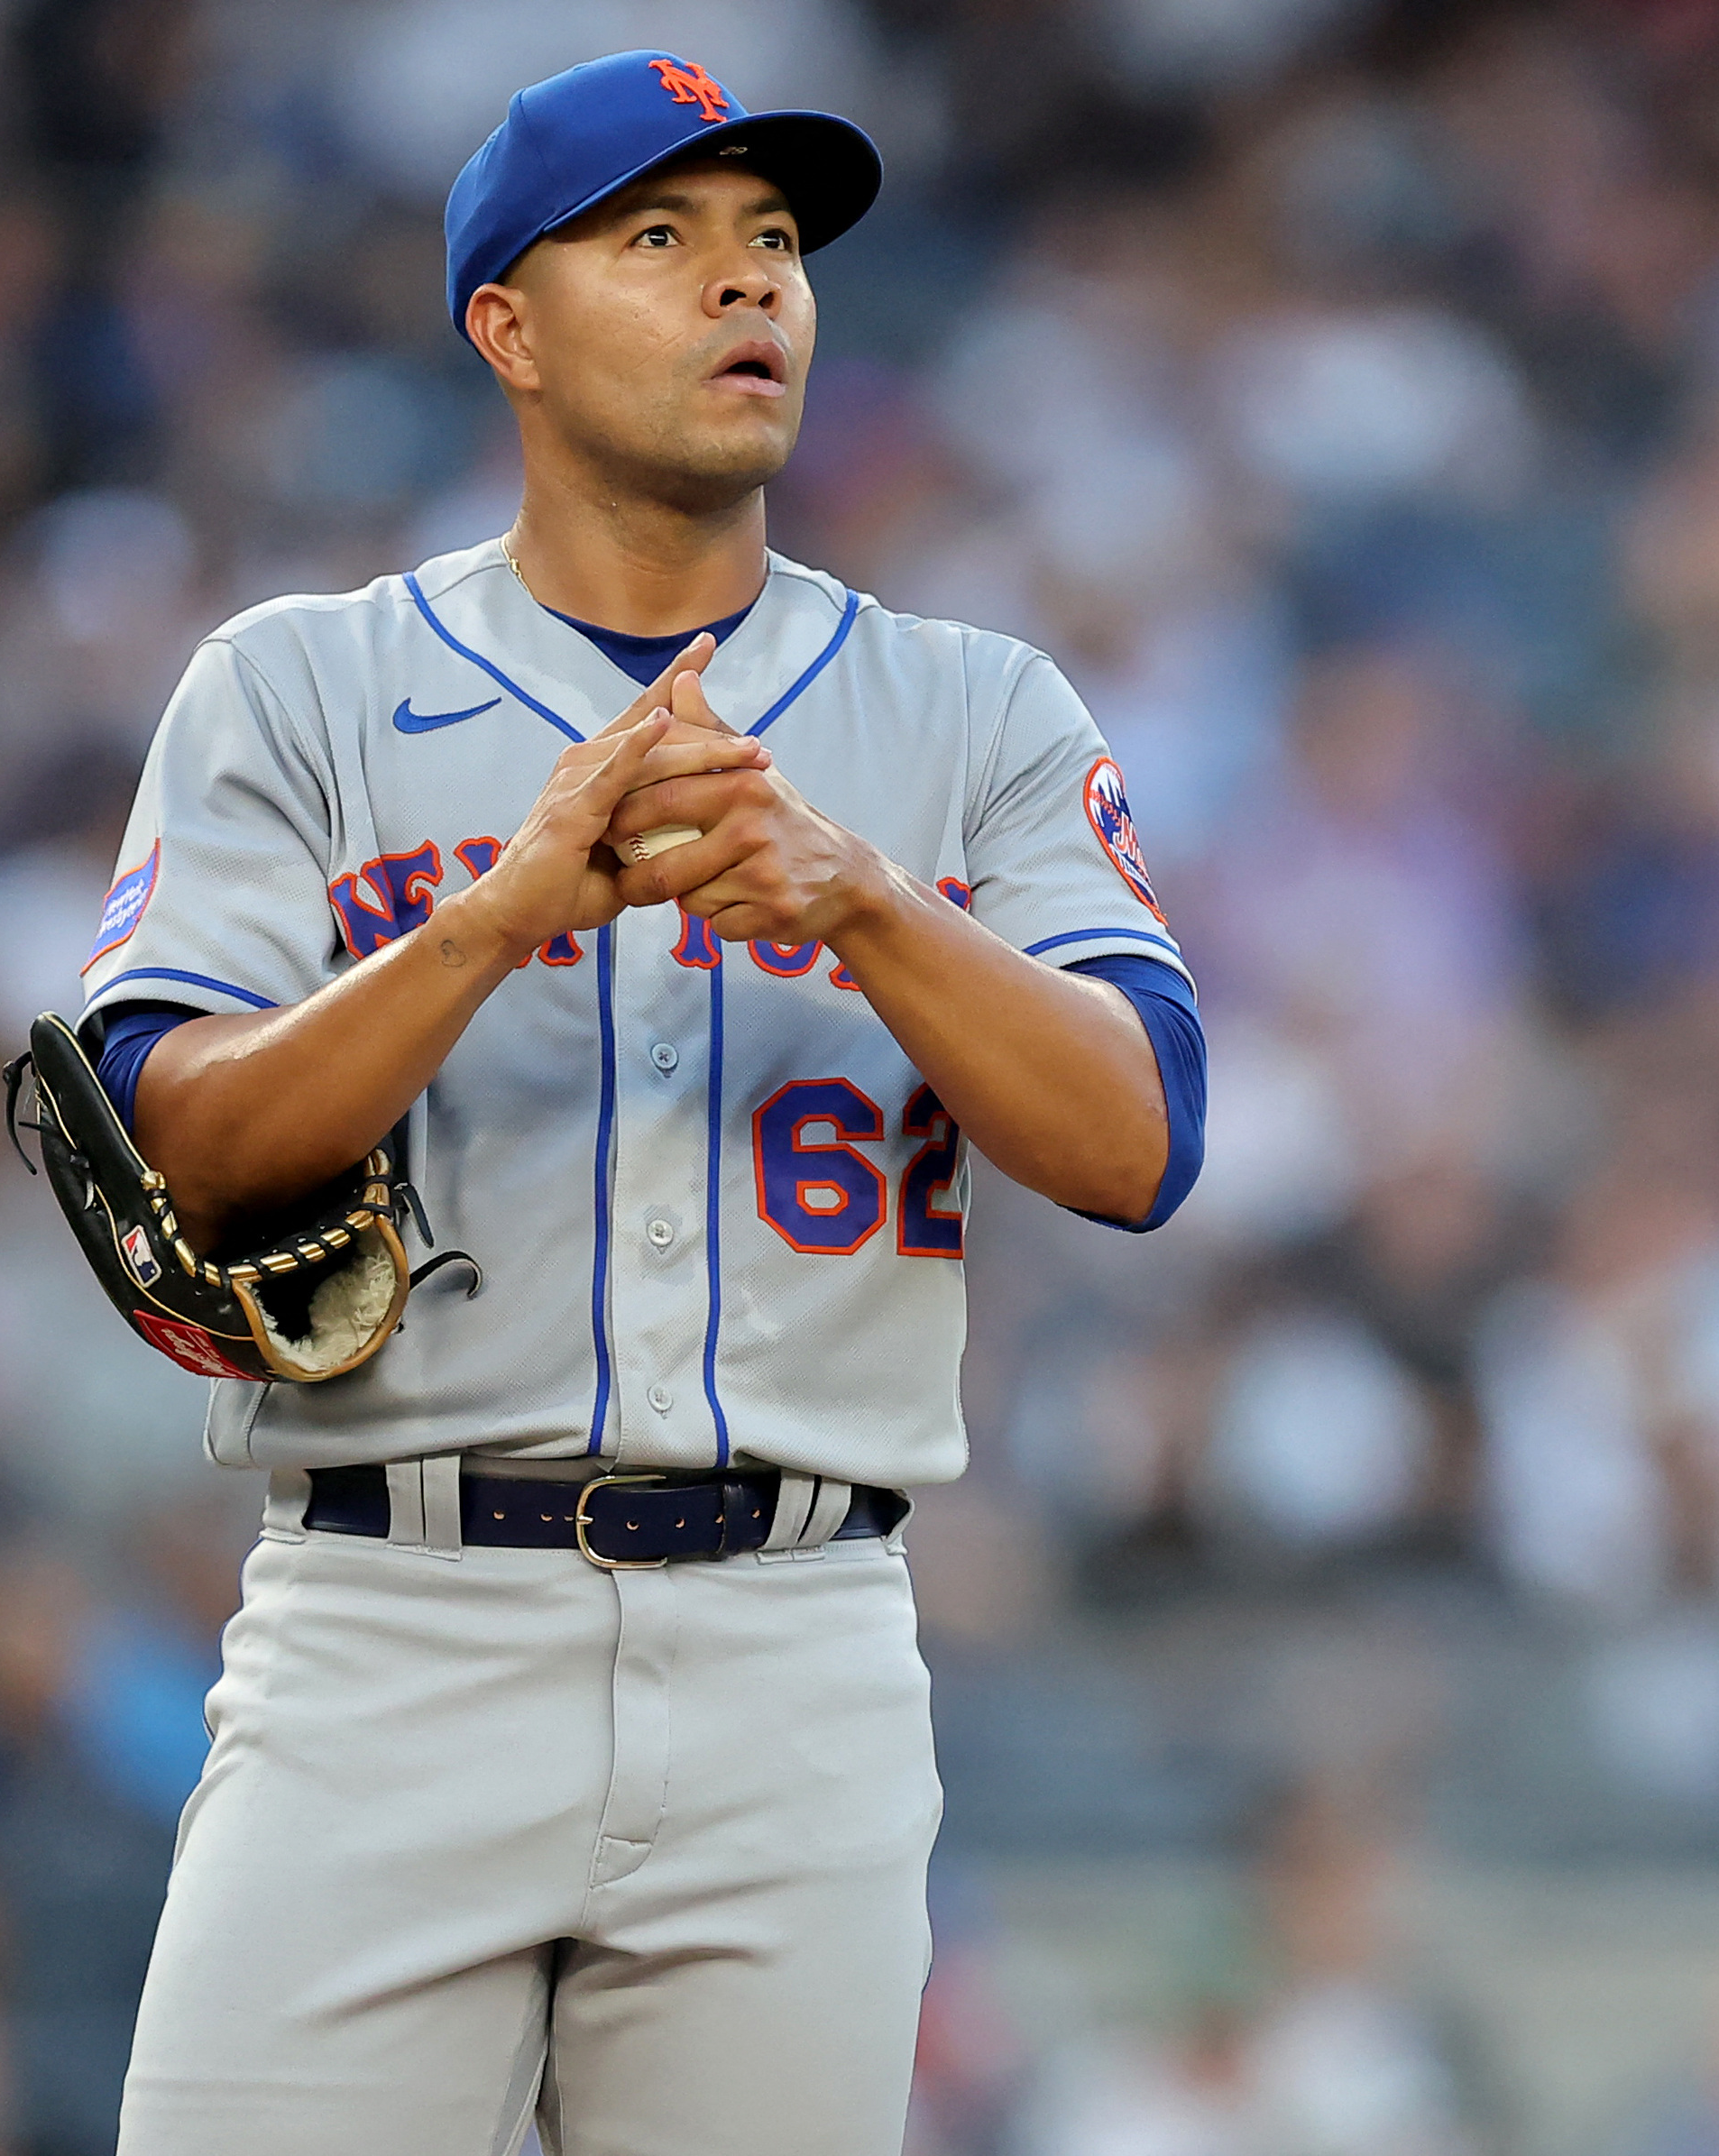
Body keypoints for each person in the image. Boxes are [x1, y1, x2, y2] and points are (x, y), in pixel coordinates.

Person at [78, 49, 1204, 2156]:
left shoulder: (967, 711)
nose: (744, 286)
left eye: (774, 242)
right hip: (389, 1624)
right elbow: (178, 1140)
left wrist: (863, 898)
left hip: (799, 1642)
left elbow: (1138, 1137)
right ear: (502, 321)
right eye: (660, 237)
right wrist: (488, 921)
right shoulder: (295, 685)